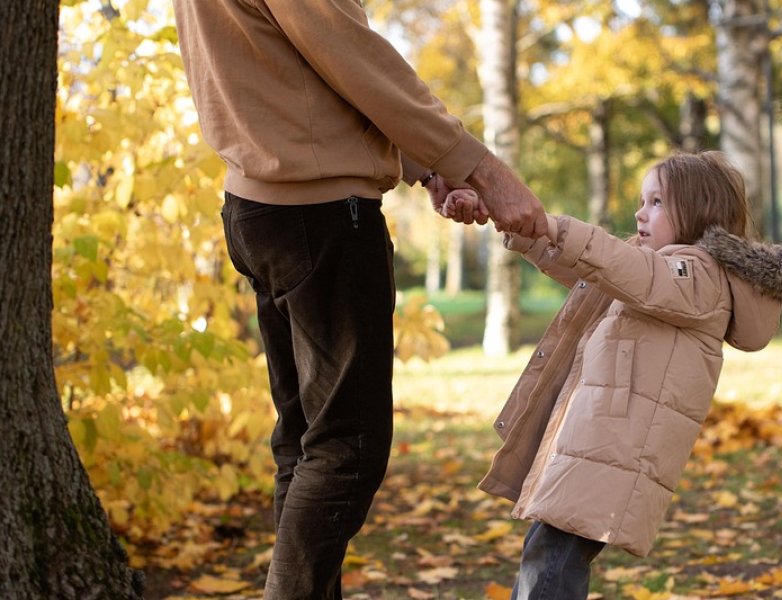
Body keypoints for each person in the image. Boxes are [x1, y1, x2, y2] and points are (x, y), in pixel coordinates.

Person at [171, 1, 546, 598]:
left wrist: (426, 166)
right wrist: (483, 170)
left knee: (307, 447)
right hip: (318, 217)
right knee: (347, 450)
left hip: (260, 207)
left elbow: (310, 67)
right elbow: (354, 57)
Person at [445, 151, 782, 599]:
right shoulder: (659, 267)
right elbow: (588, 264)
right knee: (548, 552)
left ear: (699, 211)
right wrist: (516, 222)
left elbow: (620, 265)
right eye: (642, 199)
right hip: (598, 446)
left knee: (551, 560)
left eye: (656, 202)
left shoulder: (697, 276)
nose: (640, 211)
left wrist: (554, 225)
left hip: (614, 450)